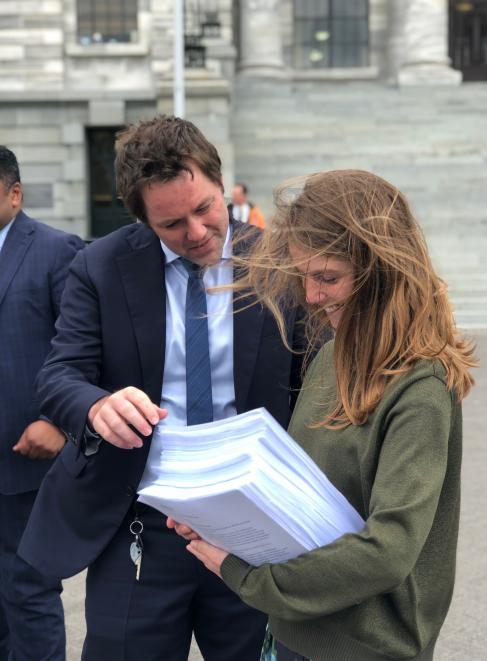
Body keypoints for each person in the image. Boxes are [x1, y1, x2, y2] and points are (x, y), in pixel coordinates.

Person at [18, 116, 304, 660]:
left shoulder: (280, 263)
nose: (196, 233)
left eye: (205, 209)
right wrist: (97, 404)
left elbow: (316, 380)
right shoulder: (98, 268)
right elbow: (58, 376)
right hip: (141, 520)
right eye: (172, 223)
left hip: (255, 524)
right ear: (143, 219)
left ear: (221, 185)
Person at [171, 169, 477, 661]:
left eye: (328, 278)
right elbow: (303, 497)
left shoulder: (421, 385)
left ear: (381, 270)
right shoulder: (332, 353)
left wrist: (243, 575)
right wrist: (218, 517)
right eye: (304, 277)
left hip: (367, 648)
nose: (311, 297)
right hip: (296, 634)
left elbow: (388, 550)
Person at [0, 146, 84, 660]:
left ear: (14, 193)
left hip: (23, 462)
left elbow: (82, 349)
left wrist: (58, 421)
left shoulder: (56, 250)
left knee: (27, 593)